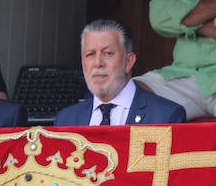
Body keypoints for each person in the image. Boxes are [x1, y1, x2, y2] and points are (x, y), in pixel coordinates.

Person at [53, 20, 185, 126]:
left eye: (108, 53)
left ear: (128, 62)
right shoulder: (66, 120)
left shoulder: (165, 116)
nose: (98, 63)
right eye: (90, 54)